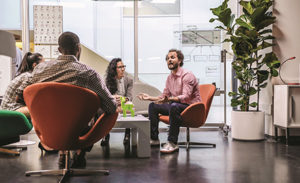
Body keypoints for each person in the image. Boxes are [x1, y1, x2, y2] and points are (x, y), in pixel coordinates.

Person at [15, 31, 117, 168]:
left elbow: (19, 96)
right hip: (78, 130)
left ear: (59, 50)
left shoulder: (39, 70)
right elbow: (111, 106)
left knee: (57, 114)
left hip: (49, 130)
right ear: (78, 48)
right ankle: (80, 151)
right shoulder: (88, 73)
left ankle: (63, 153)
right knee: (95, 109)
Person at [138, 49, 201, 154]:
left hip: (191, 107)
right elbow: (164, 97)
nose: (169, 60)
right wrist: (149, 97)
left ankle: (172, 142)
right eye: (167, 59)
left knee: (174, 106)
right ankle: (154, 139)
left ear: (179, 60)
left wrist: (170, 99)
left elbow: (186, 97)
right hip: (176, 105)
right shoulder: (169, 78)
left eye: (172, 57)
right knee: (153, 106)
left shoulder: (187, 75)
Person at [0, 52, 44, 118]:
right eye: (43, 64)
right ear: (34, 65)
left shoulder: (24, 75)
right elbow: (18, 98)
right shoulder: (29, 76)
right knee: (42, 110)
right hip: (12, 109)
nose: (45, 66)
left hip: (5, 109)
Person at [101, 58, 133, 146]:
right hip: (112, 102)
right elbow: (105, 96)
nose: (123, 69)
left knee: (129, 106)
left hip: (123, 103)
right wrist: (113, 98)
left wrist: (123, 99)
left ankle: (127, 133)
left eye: (123, 66)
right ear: (114, 69)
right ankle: (106, 134)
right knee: (105, 107)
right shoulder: (107, 80)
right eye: (120, 67)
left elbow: (130, 97)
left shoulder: (129, 80)